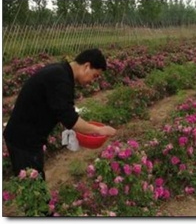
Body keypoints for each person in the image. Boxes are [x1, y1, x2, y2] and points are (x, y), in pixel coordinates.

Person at [3, 48, 117, 181]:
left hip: (27, 137)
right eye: (95, 75)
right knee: (33, 185)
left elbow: (61, 111)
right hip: (23, 141)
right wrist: (99, 130)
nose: (93, 80)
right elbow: (70, 119)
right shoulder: (60, 79)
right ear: (87, 66)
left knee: (34, 180)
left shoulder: (61, 72)